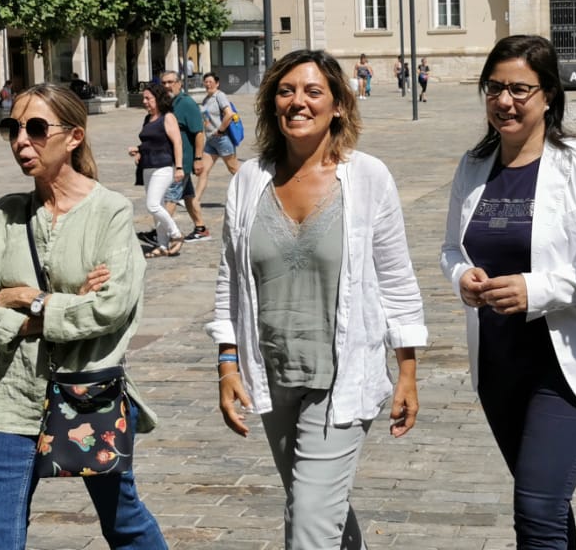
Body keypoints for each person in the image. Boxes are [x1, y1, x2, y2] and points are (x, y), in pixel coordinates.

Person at [209, 50, 427, 549]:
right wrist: (226, 364)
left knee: (308, 523)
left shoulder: (368, 178)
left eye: (312, 92)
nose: (298, 102)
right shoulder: (248, 182)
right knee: (318, 509)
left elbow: (397, 279)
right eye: (286, 91)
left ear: (338, 107)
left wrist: (408, 371)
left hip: (342, 377)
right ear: (272, 104)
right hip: (271, 375)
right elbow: (229, 283)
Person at [440, 35, 576, 548]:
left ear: (549, 94)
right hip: (500, 366)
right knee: (545, 506)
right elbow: (450, 250)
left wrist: (536, 290)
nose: (504, 101)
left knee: (537, 510)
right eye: (494, 88)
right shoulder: (472, 164)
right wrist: (462, 276)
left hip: (568, 367)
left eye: (519, 90)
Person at [0, 83, 167, 550]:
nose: (21, 141)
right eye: (12, 128)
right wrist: (69, 300)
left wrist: (33, 304)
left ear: (74, 137)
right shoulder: (1, 217)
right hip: (14, 395)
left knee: (123, 522)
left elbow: (111, 307)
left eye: (36, 128)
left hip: (89, 391)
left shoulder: (110, 212)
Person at [127, 81, 186, 258]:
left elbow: (177, 142)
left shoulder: (167, 117)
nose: (145, 101)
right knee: (158, 207)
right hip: (147, 167)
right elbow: (150, 142)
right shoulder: (148, 119)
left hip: (164, 167)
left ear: (158, 98)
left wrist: (179, 167)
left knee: (152, 205)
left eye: (148, 98)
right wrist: (138, 150)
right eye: (143, 98)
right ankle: (162, 245)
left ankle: (176, 234)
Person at [160, 72, 210, 243]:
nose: (167, 86)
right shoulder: (169, 104)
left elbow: (199, 133)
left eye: (171, 82)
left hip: (185, 161)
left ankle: (162, 234)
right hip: (174, 159)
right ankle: (201, 228)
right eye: (164, 83)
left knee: (171, 196)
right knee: (188, 196)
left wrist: (198, 158)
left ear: (179, 83)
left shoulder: (186, 103)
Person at [194, 71, 243, 213]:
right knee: (203, 170)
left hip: (223, 139)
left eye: (210, 81)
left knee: (235, 170)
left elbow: (229, 114)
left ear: (217, 83)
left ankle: (252, 195)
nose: (208, 84)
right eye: (206, 82)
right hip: (211, 141)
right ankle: (195, 200)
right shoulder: (206, 99)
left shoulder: (219, 96)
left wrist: (220, 130)